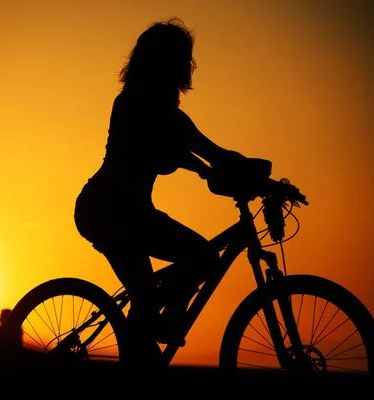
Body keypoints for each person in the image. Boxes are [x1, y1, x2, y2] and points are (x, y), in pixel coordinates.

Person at [73, 18, 251, 364]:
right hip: (107, 210)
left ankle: (150, 336)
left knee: (186, 267)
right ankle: (155, 329)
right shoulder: (133, 104)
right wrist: (212, 168)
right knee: (161, 283)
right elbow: (189, 149)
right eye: (180, 61)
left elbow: (201, 151)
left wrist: (234, 173)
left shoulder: (167, 113)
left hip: (133, 212)